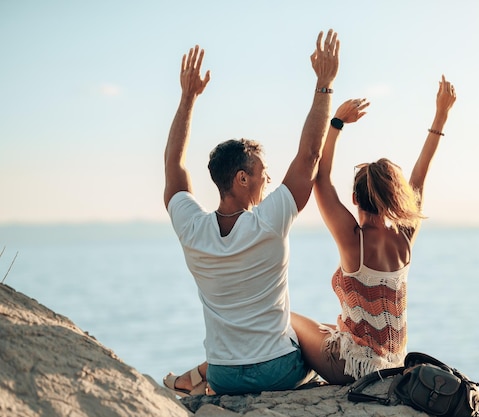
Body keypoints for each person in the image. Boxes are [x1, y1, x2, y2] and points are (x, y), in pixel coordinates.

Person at [162, 29, 340, 396]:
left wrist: (187, 99)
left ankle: (195, 380)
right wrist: (325, 84)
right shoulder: (268, 222)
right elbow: (309, 156)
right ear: (242, 178)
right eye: (262, 173)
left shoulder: (191, 228)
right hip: (278, 370)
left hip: (224, 376)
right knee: (313, 330)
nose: (268, 179)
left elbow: (172, 164)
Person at [290, 75, 457, 384]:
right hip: (395, 364)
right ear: (395, 198)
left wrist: (337, 122)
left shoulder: (355, 242)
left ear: (354, 199)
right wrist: (441, 115)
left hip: (355, 369)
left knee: (283, 316)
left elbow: (321, 179)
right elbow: (420, 175)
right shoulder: (405, 237)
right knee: (327, 327)